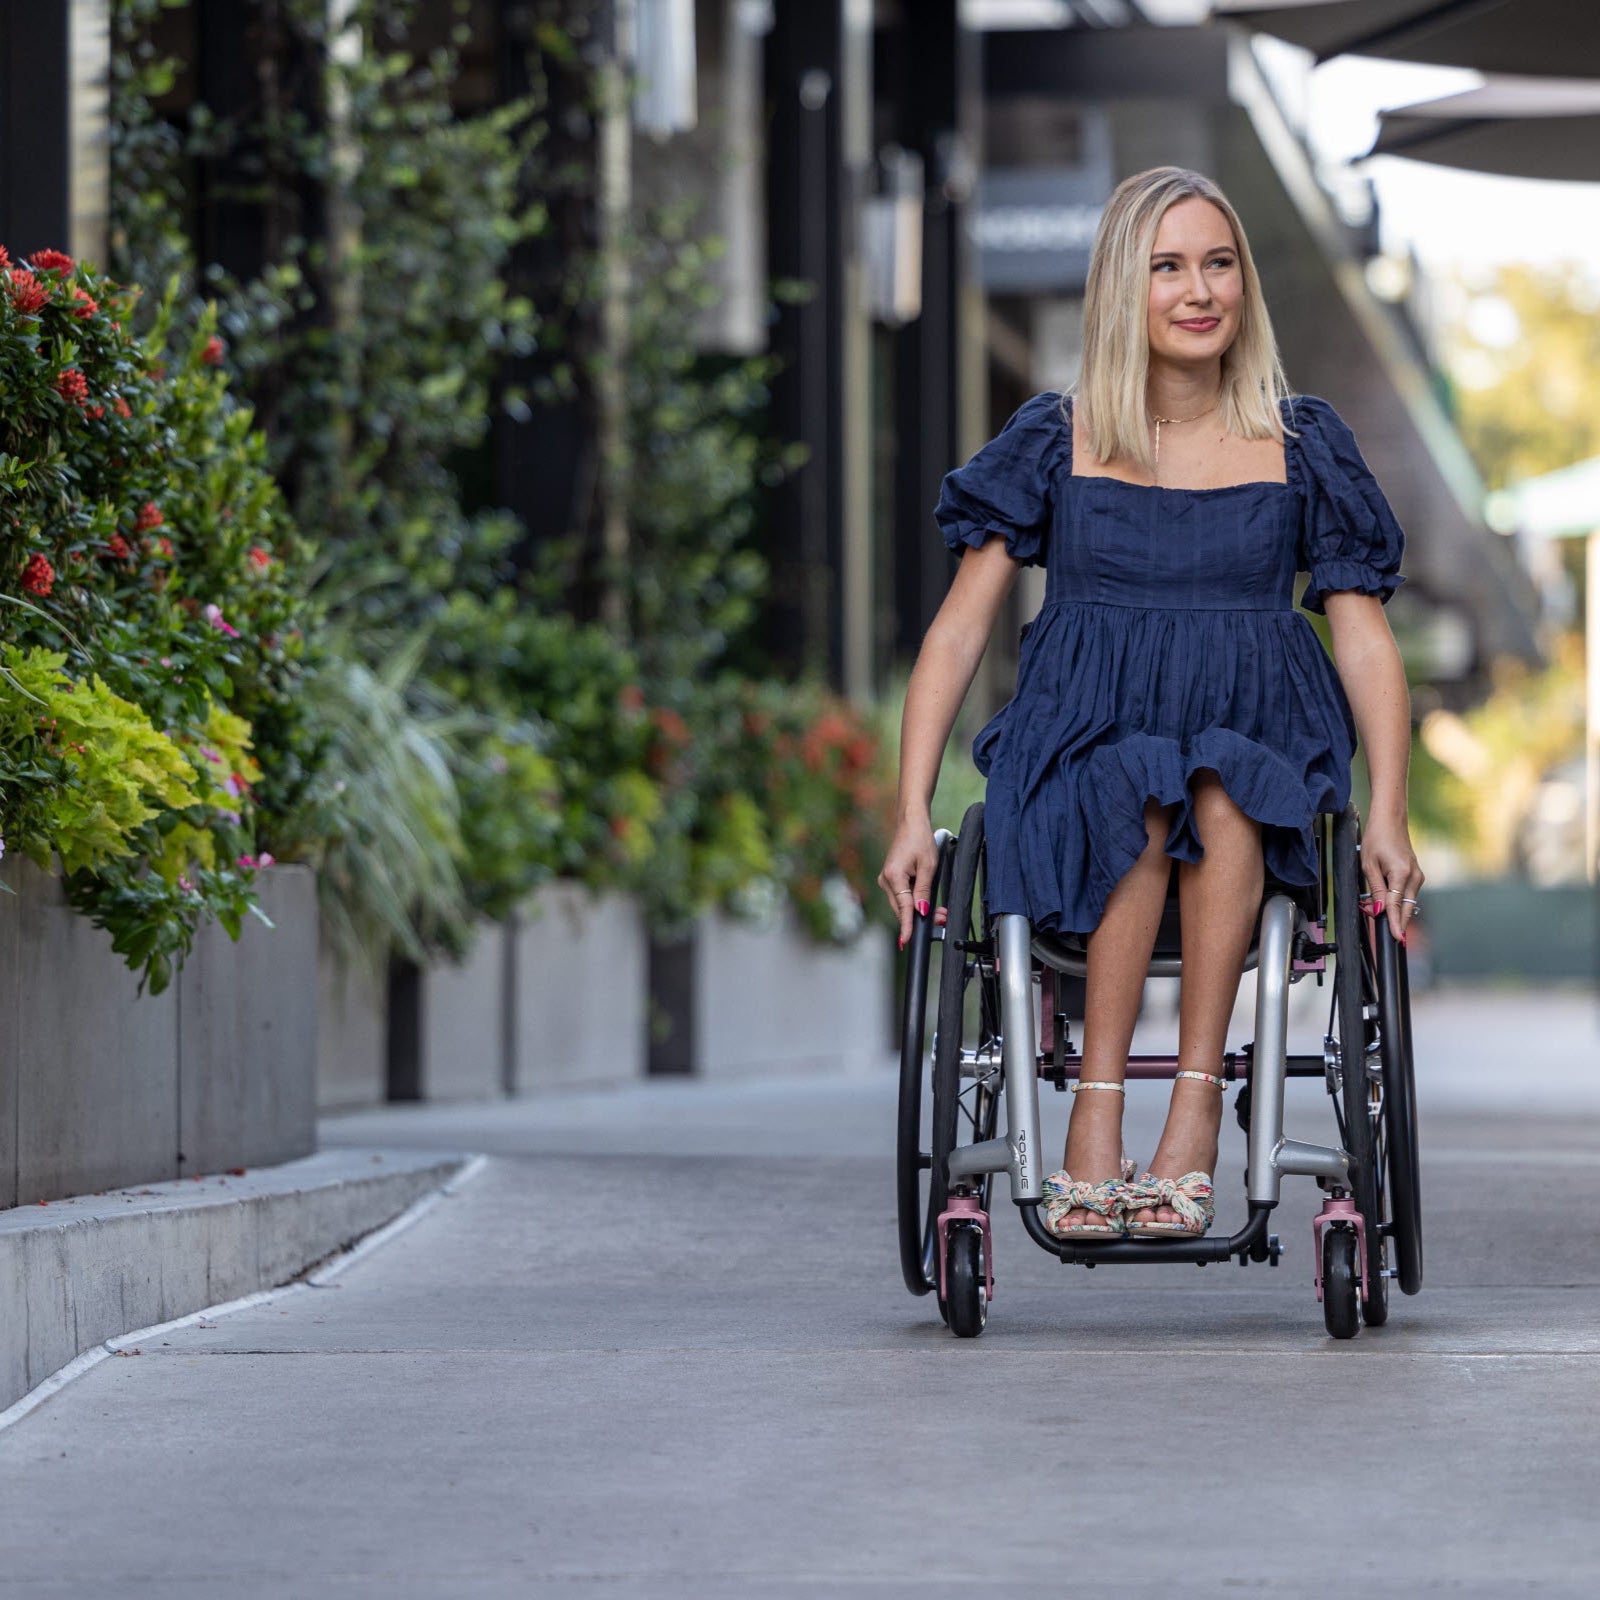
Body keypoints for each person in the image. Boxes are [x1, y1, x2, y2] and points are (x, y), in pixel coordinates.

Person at [877, 166, 1424, 1242]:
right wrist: (907, 813)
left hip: (1256, 731)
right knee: (1133, 784)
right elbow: (957, 632)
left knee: (1222, 787)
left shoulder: (1300, 443)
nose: (1198, 290)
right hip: (1084, 734)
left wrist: (1392, 813)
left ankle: (1191, 1119)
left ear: (1244, 283)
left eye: (1218, 264)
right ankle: (1093, 1122)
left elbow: (1362, 635)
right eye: (1168, 267)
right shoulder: (1056, 438)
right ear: (1123, 288)